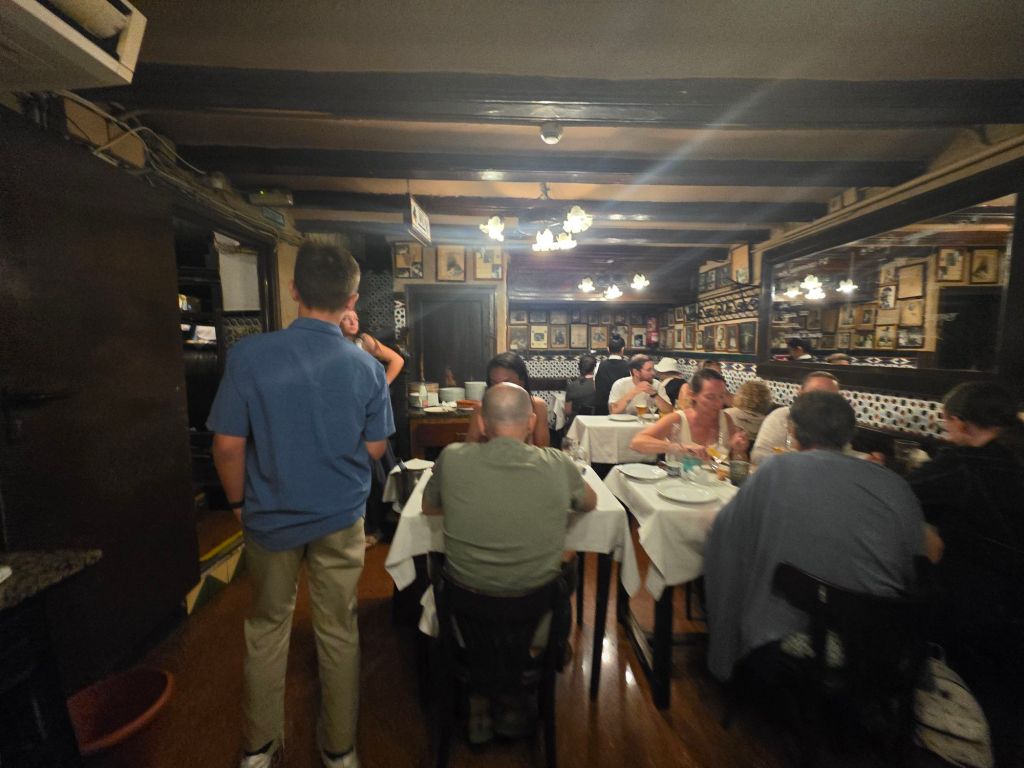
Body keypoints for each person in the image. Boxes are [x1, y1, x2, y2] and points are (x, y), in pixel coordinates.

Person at [209, 242, 394, 768]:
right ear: (351, 299)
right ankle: (339, 749)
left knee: (267, 626)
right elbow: (375, 448)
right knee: (339, 628)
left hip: (270, 515)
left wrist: (239, 504)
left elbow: (228, 446)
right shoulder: (365, 367)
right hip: (341, 515)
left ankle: (259, 747)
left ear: (293, 290)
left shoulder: (249, 356)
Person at [704, 391, 925, 684]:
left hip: (805, 632)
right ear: (850, 434)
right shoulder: (894, 484)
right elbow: (915, 559)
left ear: (793, 431)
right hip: (884, 637)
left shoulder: (777, 469)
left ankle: (737, 663)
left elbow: (726, 532)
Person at [422, 383, 597, 741]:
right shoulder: (557, 463)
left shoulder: (452, 458)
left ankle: (479, 695)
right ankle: (514, 694)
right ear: (531, 422)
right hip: (534, 620)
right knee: (568, 563)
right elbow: (589, 502)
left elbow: (428, 506)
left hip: (464, 617)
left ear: (481, 423)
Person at [907, 382, 1024, 767]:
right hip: (1013, 600)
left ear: (959, 422)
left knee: (976, 692)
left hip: (975, 598)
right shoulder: (1012, 455)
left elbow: (904, 493)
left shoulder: (963, 464)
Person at [630, 368, 748, 461]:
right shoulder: (678, 419)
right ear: (693, 395)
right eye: (710, 397)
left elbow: (731, 462)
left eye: (721, 396)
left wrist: (738, 450)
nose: (718, 403)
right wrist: (679, 447)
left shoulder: (725, 420)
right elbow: (637, 442)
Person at [750, 370, 841, 465]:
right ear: (800, 393)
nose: (821, 402)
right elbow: (758, 455)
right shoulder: (782, 416)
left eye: (831, 398)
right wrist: (790, 461)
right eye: (814, 394)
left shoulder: (839, 426)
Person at [465, 352, 549, 446]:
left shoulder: (537, 406)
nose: (500, 388)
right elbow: (469, 448)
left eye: (506, 383)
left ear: (522, 381)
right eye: (494, 383)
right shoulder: (480, 408)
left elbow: (542, 447)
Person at [339, 309, 404, 384]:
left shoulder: (364, 340)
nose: (353, 323)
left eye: (356, 319)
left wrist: (384, 385)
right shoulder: (332, 343)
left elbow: (397, 360)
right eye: (346, 319)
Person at [593, 334, 629, 415]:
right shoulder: (629, 366)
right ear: (622, 349)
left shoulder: (600, 365)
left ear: (608, 349)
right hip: (621, 409)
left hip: (602, 409)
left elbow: (595, 387)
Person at [563, 354, 596, 426]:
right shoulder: (600, 384)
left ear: (579, 367)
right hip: (595, 423)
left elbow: (567, 411)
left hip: (576, 425)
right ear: (594, 368)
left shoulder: (572, 386)